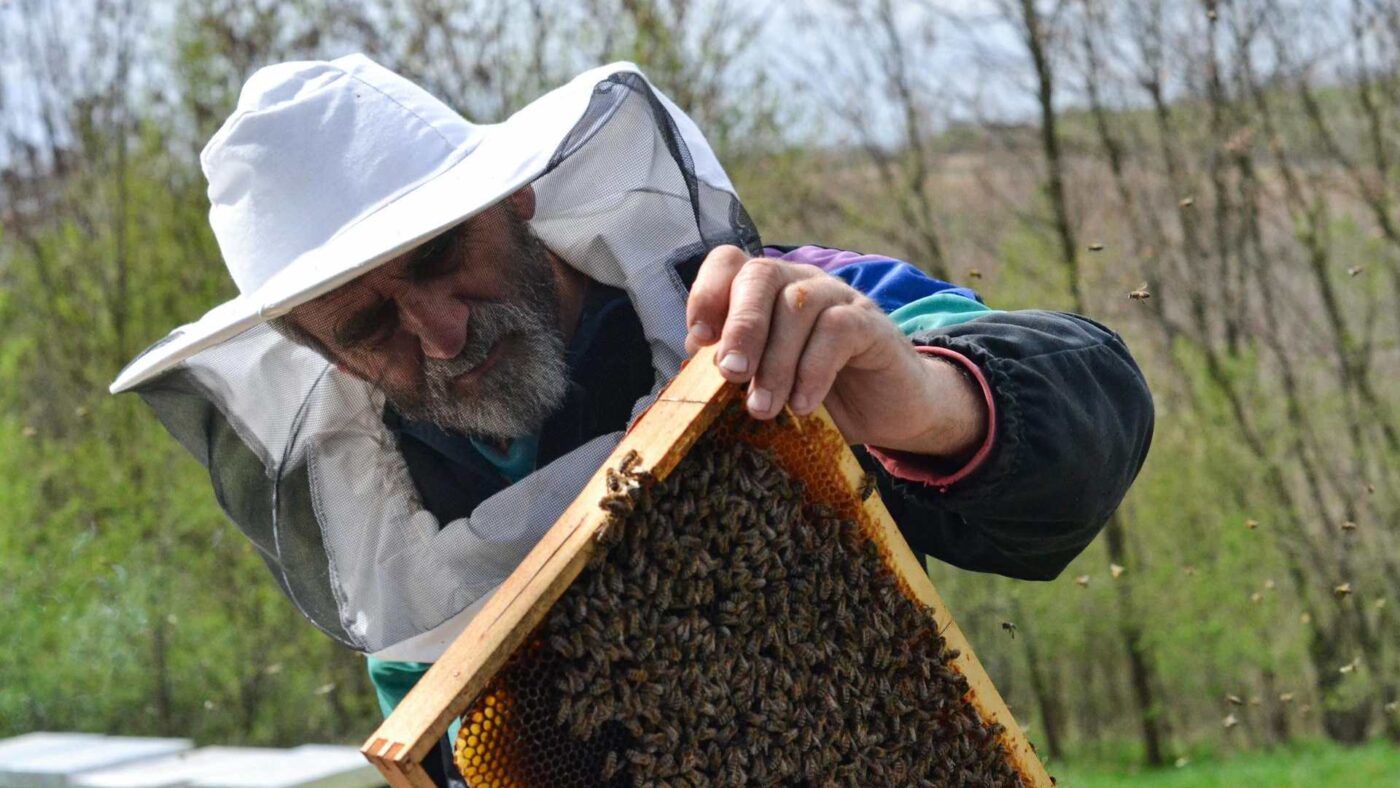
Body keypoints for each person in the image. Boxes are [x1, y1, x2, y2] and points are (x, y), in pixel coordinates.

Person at [112, 55, 1152, 785]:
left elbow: (1085, 405)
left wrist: (926, 398)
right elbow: (459, 757)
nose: (436, 333)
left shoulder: (751, 304)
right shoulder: (399, 549)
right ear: (320, 353)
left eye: (438, 258)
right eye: (369, 322)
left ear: (514, 198)